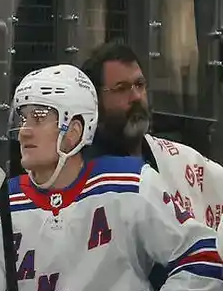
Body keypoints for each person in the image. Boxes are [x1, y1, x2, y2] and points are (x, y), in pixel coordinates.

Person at [0, 64, 223, 291]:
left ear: (75, 131)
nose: (25, 132)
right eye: (23, 118)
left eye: (39, 117)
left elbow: (202, 260)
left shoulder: (131, 185)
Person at [82, 41, 223, 231]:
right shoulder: (82, 170)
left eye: (139, 85)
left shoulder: (173, 157)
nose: (136, 97)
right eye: (122, 88)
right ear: (95, 102)